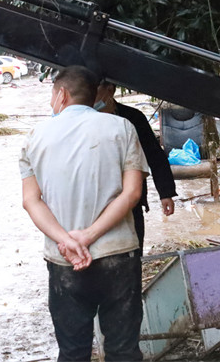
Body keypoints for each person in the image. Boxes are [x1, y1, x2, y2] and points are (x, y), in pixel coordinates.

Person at [20, 65, 149, 361]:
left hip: (64, 259)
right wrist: (88, 236)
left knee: (72, 352)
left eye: (52, 94)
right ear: (94, 97)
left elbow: (31, 201)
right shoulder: (122, 128)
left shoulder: (35, 136)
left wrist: (67, 240)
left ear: (62, 95)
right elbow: (132, 193)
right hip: (117, 255)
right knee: (123, 351)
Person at [94, 81, 177, 255]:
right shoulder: (80, 120)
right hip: (95, 199)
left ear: (110, 90)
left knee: (133, 249)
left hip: (130, 198)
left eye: (95, 89)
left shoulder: (132, 118)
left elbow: (154, 155)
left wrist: (166, 192)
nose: (91, 94)